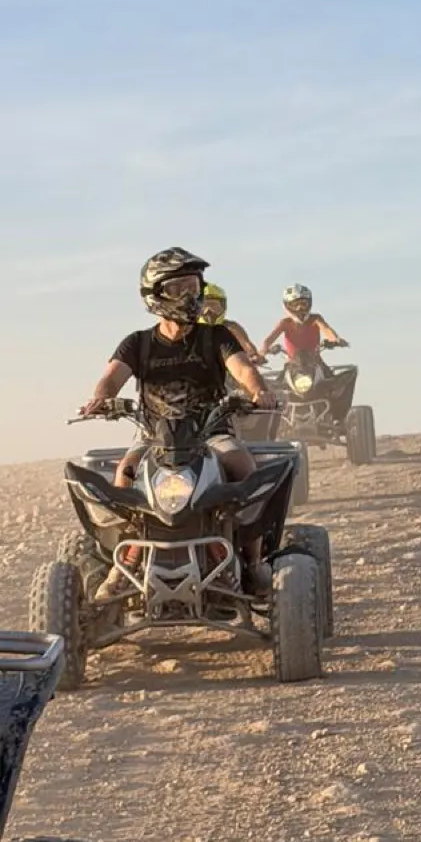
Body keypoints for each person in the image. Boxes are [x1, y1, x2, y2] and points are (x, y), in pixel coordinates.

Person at [76, 248, 269, 598]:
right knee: (125, 474)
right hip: (154, 436)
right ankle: (126, 567)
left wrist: (258, 391)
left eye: (194, 287)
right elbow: (111, 378)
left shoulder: (216, 337)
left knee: (245, 468)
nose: (189, 297)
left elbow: (243, 368)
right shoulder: (138, 343)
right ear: (155, 295)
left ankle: (253, 563)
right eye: (178, 288)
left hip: (211, 432)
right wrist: (100, 400)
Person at [260, 283, 347, 362]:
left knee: (331, 377)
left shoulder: (316, 318)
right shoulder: (285, 323)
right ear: (286, 305)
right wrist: (263, 351)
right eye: (295, 305)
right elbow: (269, 340)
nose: (299, 308)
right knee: (272, 379)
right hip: (292, 364)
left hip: (315, 363)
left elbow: (326, 329)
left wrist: (336, 340)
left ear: (309, 303)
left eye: (303, 304)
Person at [198, 282, 260, 365]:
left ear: (223, 307)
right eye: (205, 306)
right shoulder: (189, 329)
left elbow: (246, 344)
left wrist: (253, 355)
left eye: (214, 306)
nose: (209, 312)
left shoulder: (231, 327)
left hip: (229, 370)